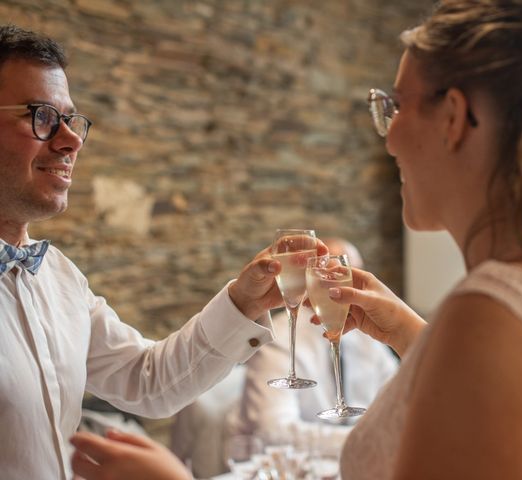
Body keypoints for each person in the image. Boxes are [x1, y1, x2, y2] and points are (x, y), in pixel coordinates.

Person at [70, 0, 522, 478]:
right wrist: (412, 333)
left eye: (391, 106)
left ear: (454, 117)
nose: (387, 137)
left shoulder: (489, 313)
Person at [0, 24, 328, 480]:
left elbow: (147, 382)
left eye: (70, 119)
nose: (71, 140)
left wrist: (245, 301)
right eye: (40, 116)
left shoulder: (59, 277)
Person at [169, 238, 398, 477]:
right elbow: (273, 432)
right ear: (311, 276)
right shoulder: (280, 340)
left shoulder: (366, 337)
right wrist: (360, 440)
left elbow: (396, 398)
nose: (340, 283)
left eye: (349, 274)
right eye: (329, 272)